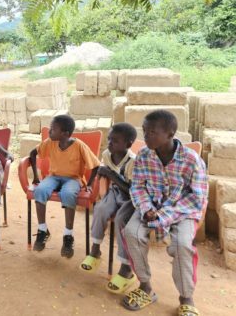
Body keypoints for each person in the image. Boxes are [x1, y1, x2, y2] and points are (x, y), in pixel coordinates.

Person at [122, 111, 207, 314]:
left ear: (170, 134)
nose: (146, 136)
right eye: (144, 131)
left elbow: (196, 198)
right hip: (150, 206)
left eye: (152, 132)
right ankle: (145, 287)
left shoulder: (191, 159)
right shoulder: (143, 155)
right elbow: (138, 186)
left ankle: (186, 297)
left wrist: (163, 215)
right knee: (131, 233)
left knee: (182, 244)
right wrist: (147, 208)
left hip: (182, 210)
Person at [30, 114, 100, 258]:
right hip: (53, 177)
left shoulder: (79, 146)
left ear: (65, 134)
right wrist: (36, 176)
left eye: (53, 129)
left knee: (68, 194)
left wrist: (90, 184)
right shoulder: (50, 142)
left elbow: (96, 165)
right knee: (40, 190)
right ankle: (42, 230)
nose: (49, 131)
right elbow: (32, 153)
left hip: (73, 179)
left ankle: (68, 235)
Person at [79, 123, 138, 294]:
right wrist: (104, 178)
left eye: (115, 141)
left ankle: (126, 268)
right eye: (109, 139)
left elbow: (132, 190)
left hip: (130, 198)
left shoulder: (133, 162)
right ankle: (95, 251)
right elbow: (104, 175)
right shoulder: (106, 154)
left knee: (121, 220)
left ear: (128, 144)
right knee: (100, 209)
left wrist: (111, 174)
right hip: (114, 192)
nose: (110, 143)